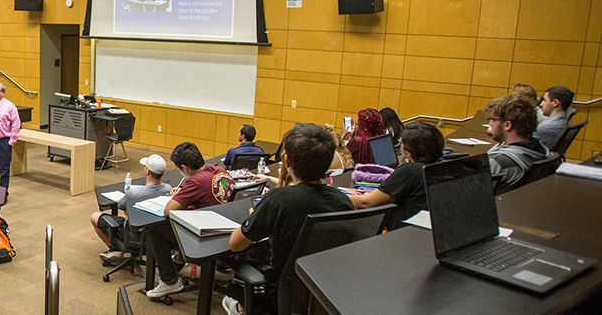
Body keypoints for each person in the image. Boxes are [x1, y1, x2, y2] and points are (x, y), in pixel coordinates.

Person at [222, 123, 353, 314]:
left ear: (286, 160)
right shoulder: (343, 201)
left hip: (279, 293)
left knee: (230, 293)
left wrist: (255, 217)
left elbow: (235, 244)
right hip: (323, 291)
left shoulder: (279, 200)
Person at [143, 142, 234, 298]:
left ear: (184, 168)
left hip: (206, 238)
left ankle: (170, 281)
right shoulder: (220, 171)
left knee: (155, 228)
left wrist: (179, 197)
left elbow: (168, 210)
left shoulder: (195, 182)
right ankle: (179, 260)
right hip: (227, 230)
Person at [347, 122, 444, 230]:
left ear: (409, 151)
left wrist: (339, 197)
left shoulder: (410, 171)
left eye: (401, 143)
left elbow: (366, 202)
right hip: (423, 228)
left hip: (403, 232)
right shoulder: (439, 166)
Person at [90, 154, 171, 259]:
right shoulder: (168, 189)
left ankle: (115, 249)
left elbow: (121, 205)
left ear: (147, 171)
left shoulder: (134, 192)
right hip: (154, 235)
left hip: (132, 233)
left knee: (94, 216)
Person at [486, 93, 550, 191]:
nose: (490, 124)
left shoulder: (497, 163)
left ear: (507, 125)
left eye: (493, 120)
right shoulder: (541, 150)